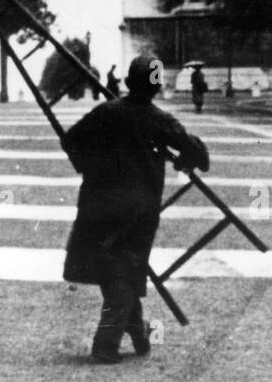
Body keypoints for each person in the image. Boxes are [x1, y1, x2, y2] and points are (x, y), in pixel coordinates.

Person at [62, 55, 209, 365]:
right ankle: (106, 343)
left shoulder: (106, 112)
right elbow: (194, 149)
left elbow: (71, 139)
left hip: (98, 203)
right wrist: (189, 158)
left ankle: (138, 333)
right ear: (156, 87)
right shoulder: (158, 119)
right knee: (124, 267)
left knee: (116, 266)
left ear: (129, 82)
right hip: (136, 209)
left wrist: (92, 166)